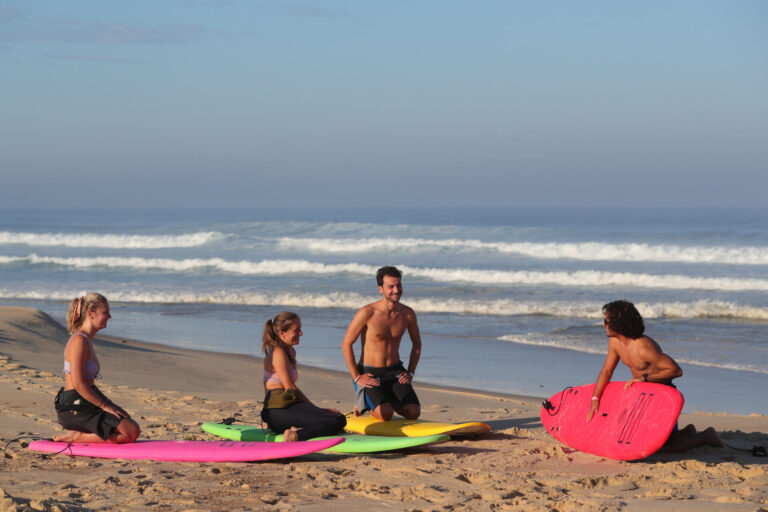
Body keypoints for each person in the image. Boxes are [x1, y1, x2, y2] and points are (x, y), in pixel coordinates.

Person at [587, 300, 722, 451]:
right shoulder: (615, 342)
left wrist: (643, 378)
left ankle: (706, 436)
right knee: (642, 439)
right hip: (643, 396)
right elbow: (606, 371)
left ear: (619, 323)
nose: (604, 324)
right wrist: (595, 399)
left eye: (607, 321)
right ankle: (685, 432)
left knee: (663, 447)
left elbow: (675, 370)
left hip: (661, 396)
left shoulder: (643, 348)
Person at [53, 294, 140, 444]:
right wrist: (103, 406)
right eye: (105, 312)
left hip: (85, 399)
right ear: (90, 314)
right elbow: (78, 383)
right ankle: (77, 436)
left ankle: (83, 434)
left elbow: (90, 385)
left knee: (129, 424)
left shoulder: (86, 340)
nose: (109, 316)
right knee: (131, 432)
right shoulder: (78, 341)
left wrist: (111, 405)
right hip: (74, 406)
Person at [342, 266, 422, 421]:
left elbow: (417, 344)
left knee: (413, 412)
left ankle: (386, 399)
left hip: (395, 372)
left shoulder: (407, 314)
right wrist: (357, 377)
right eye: (390, 286)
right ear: (380, 289)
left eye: (398, 285)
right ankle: (365, 403)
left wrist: (410, 372)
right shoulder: (367, 312)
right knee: (385, 414)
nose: (396, 290)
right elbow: (346, 344)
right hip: (370, 373)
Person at [261, 311, 346, 442]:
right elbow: (290, 387)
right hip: (278, 411)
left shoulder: (290, 351)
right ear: (282, 333)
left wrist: (318, 411)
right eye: (296, 330)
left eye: (300, 329)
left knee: (340, 418)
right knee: (331, 422)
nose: (301, 333)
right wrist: (317, 410)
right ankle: (294, 436)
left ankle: (296, 430)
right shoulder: (278, 353)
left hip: (291, 404)